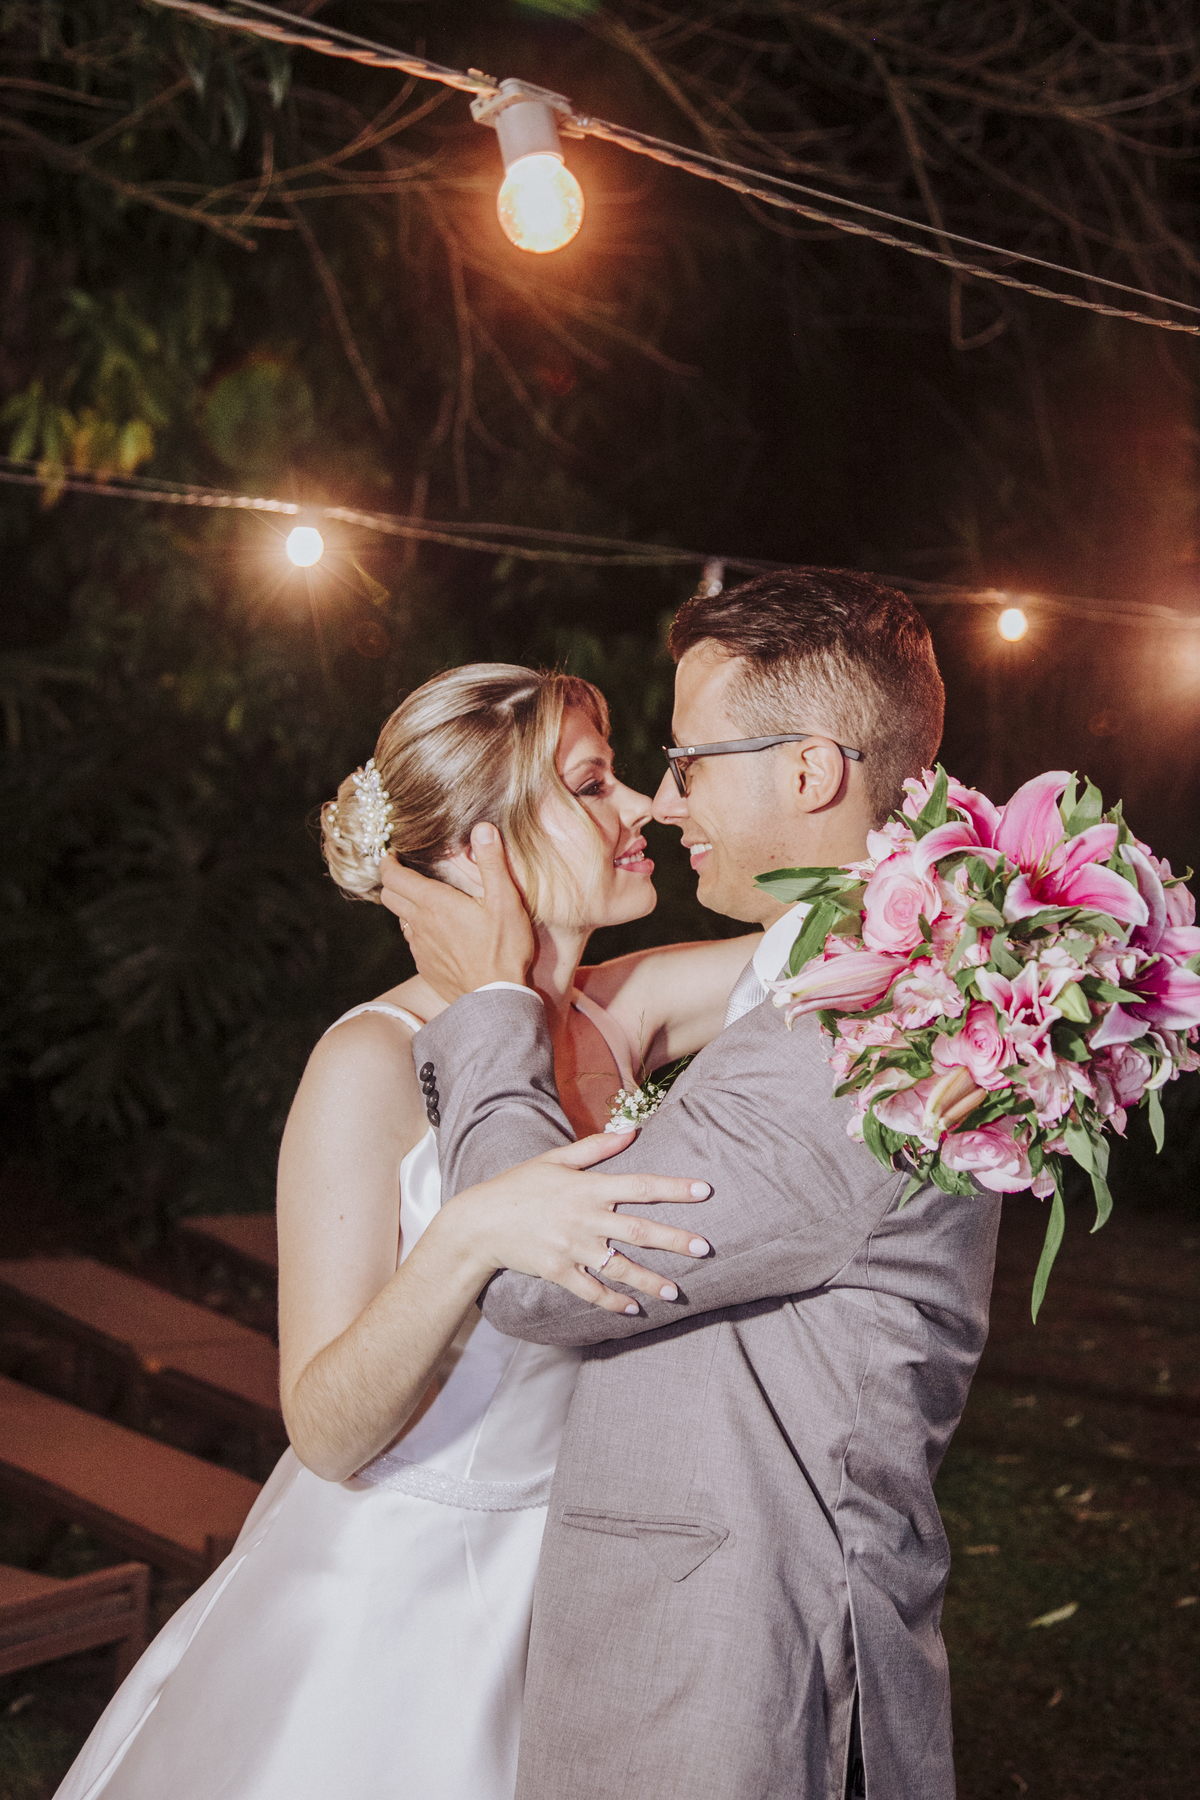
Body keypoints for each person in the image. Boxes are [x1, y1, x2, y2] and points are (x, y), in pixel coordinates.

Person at [55, 663, 757, 1800]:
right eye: (592, 785)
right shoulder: (370, 1061)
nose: (641, 806)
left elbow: (838, 950)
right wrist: (469, 1235)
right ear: (485, 847)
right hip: (391, 1608)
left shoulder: (619, 1014)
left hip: (579, 1585)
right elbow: (325, 1430)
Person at [382, 573, 1004, 1800]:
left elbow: (534, 1271)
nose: (663, 802)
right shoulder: (855, 976)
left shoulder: (864, 1044)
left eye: (689, 762)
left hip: (742, 1678)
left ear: (811, 771)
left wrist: (491, 999)